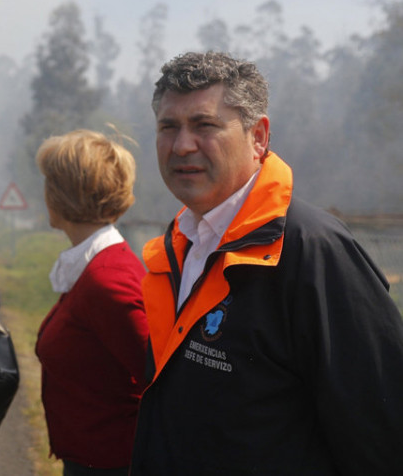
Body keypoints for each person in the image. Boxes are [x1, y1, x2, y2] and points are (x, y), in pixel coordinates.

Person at [131, 51, 403, 475]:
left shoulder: (313, 250)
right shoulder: (180, 245)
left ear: (258, 137)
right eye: (168, 127)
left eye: (204, 125)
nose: (182, 145)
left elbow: (382, 434)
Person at [33, 130, 149, 476]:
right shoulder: (93, 265)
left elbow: (157, 375)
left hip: (112, 465)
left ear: (63, 194)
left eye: (49, 183)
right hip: (93, 459)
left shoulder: (107, 278)